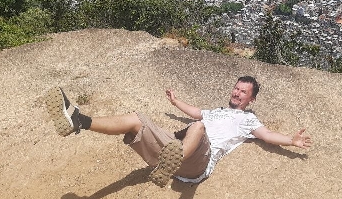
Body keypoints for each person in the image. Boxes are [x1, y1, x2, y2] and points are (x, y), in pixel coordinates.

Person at [45, 76, 312, 187]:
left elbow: (267, 135)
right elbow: (195, 112)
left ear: (251, 99)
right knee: (137, 119)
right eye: (236, 88)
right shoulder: (216, 111)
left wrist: (291, 140)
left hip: (199, 162)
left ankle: (172, 162)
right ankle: (79, 120)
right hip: (175, 148)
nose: (237, 93)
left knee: (198, 127)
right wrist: (175, 102)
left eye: (243, 92)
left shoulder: (248, 119)